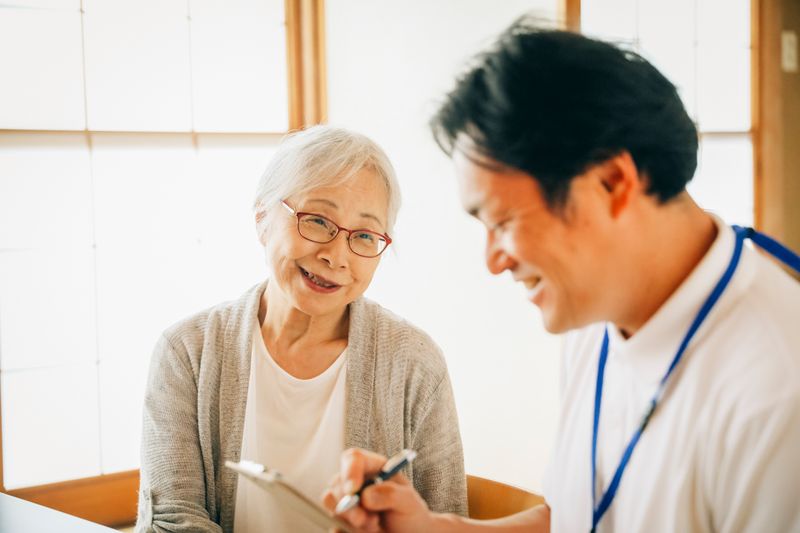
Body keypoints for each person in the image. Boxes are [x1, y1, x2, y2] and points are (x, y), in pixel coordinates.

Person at [323, 21, 800, 533]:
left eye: (502, 222)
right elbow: (577, 518)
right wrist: (432, 528)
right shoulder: (595, 313)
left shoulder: (777, 389)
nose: (493, 261)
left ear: (612, 182)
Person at [135, 125, 467, 533]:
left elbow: (446, 519)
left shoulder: (415, 365)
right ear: (262, 218)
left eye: (363, 235)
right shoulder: (187, 352)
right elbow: (173, 520)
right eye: (317, 221)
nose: (335, 256)